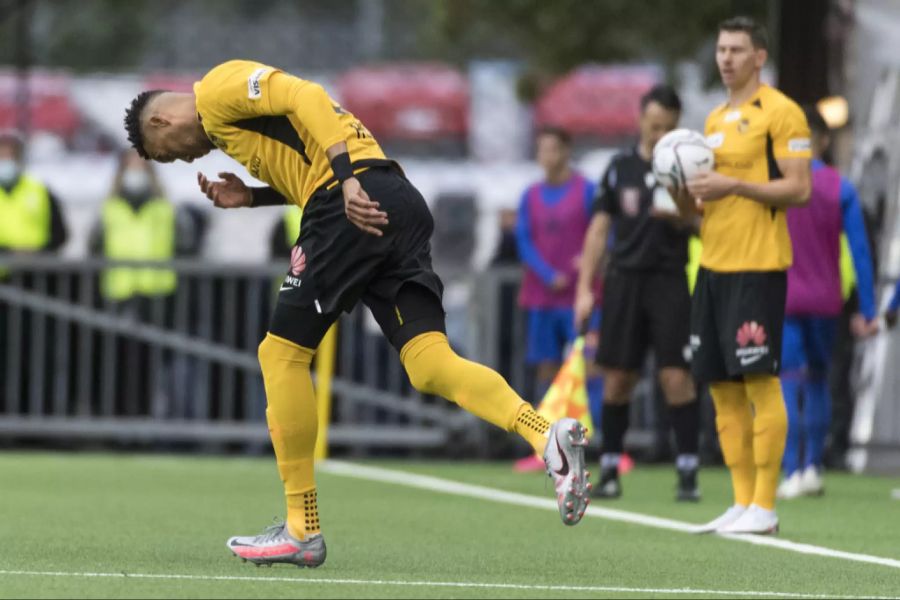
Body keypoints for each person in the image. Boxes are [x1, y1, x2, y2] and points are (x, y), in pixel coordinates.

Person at [123, 59, 591, 568]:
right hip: (395, 200)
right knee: (429, 364)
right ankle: (546, 435)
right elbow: (304, 160)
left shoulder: (215, 92)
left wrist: (345, 182)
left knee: (279, 354)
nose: (180, 161)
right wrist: (253, 197)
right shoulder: (230, 131)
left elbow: (307, 97)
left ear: (161, 125)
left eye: (166, 156)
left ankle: (302, 527)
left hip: (351, 199)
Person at [673, 17, 812, 534]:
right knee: (720, 387)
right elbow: (702, 209)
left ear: (759, 57)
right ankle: (740, 502)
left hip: (757, 266)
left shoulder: (782, 113)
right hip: (712, 266)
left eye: (736, 49)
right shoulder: (711, 120)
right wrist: (679, 194)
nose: (726, 58)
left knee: (759, 380)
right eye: (720, 49)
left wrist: (734, 183)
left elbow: (799, 190)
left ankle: (767, 506)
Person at [575, 84, 701, 502]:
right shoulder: (619, 168)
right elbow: (598, 228)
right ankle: (609, 466)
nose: (657, 133)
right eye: (652, 126)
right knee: (618, 379)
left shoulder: (689, 168)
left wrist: (681, 206)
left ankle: (687, 470)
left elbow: (698, 225)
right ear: (640, 121)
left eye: (666, 127)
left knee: (676, 378)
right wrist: (584, 290)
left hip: (669, 280)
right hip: (624, 281)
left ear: (676, 126)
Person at [777, 105, 879, 500]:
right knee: (819, 380)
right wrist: (867, 309)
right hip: (826, 300)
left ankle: (792, 470)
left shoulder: (777, 185)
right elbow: (861, 252)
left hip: (785, 299)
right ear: (824, 139)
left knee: (789, 383)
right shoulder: (841, 187)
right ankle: (814, 468)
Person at [514, 126, 604, 471]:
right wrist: (548, 275)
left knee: (589, 369)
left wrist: (589, 263)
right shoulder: (530, 195)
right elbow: (524, 241)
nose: (547, 156)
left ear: (566, 151)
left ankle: (594, 445)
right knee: (547, 371)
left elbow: (602, 232)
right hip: (541, 298)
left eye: (553, 149)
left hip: (581, 298)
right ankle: (546, 443)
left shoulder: (586, 190)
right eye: (542, 150)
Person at [0, 131, 68, 412]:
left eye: (10, 154)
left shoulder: (39, 191)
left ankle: (28, 421)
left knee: (30, 358)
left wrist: (34, 255)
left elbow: (59, 234)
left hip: (31, 286)